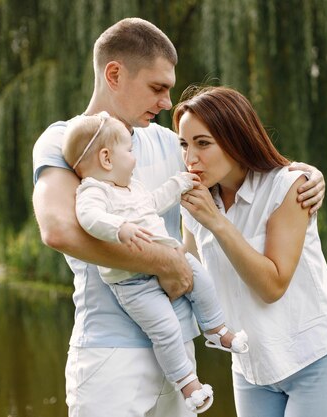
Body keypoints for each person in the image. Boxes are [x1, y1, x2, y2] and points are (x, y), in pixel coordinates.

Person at [31, 17, 326, 417]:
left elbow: (239, 159)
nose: (167, 102)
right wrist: (166, 261)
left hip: (180, 354)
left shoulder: (171, 144)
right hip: (109, 355)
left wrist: (305, 173)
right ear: (114, 74)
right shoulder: (65, 142)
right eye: (157, 88)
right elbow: (59, 229)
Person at [174, 86, 327, 417]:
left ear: (236, 138)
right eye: (184, 144)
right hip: (251, 366)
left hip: (312, 359)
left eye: (202, 143)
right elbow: (189, 276)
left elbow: (273, 285)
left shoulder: (289, 186)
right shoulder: (195, 201)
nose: (190, 158)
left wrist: (217, 223)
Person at [61, 112, 251, 413]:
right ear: (107, 158)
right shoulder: (92, 191)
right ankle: (189, 386)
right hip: (132, 283)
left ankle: (217, 330)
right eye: (129, 151)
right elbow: (88, 218)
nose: (134, 158)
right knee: (165, 328)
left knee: (200, 278)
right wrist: (118, 228)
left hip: (167, 259)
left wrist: (179, 183)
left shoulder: (133, 187)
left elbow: (156, 200)